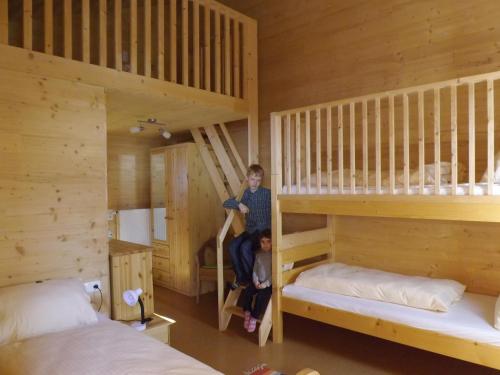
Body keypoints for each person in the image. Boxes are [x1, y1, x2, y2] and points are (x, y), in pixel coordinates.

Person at [223, 164, 271, 290]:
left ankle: (252, 280)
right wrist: (239, 205)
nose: (255, 183)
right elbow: (226, 203)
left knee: (245, 247)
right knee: (233, 246)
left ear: (261, 180)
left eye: (258, 180)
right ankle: (241, 278)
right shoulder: (245, 194)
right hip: (249, 231)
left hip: (263, 231)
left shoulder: (266, 194)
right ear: (247, 179)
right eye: (252, 179)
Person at [241, 229, 272, 333]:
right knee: (247, 291)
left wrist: (265, 284)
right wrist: (256, 281)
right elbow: (255, 270)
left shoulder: (274, 256)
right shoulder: (259, 254)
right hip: (258, 282)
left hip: (268, 284)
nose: (265, 245)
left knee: (260, 297)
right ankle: (247, 312)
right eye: (263, 242)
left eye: (268, 242)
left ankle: (254, 318)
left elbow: (274, 274)